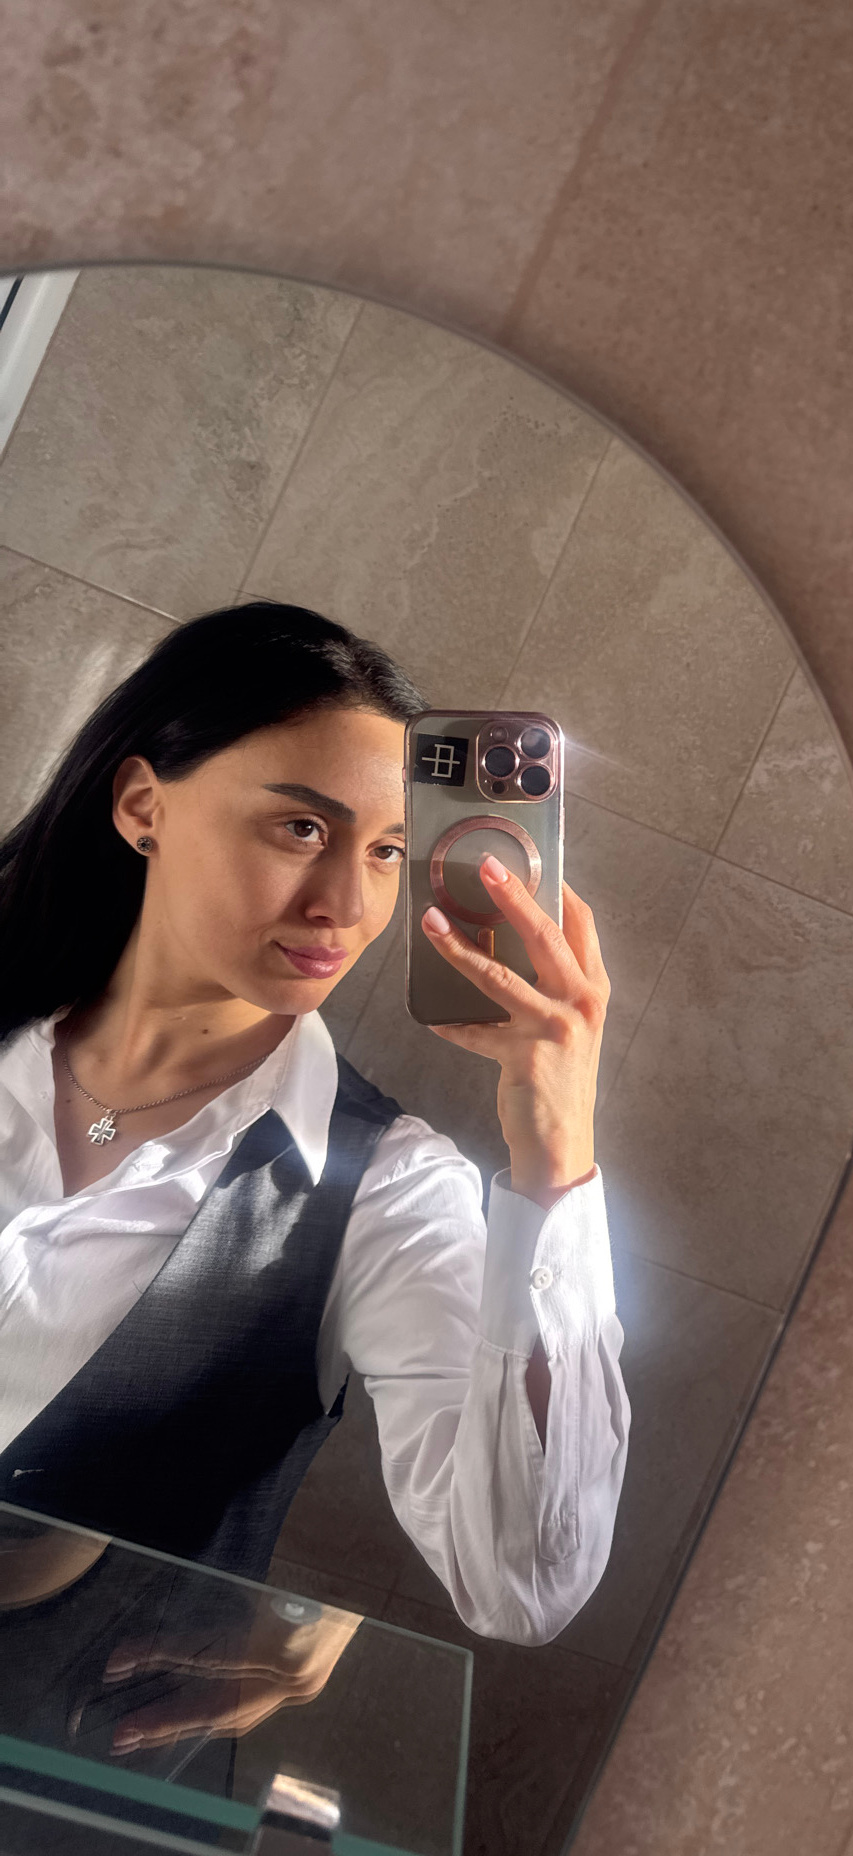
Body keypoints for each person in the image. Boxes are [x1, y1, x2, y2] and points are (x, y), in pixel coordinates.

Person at [0, 601, 630, 1739]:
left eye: (387, 851)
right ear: (143, 805)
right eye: (301, 827)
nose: (347, 903)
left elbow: (523, 1581)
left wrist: (556, 1158)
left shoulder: (384, 1195)